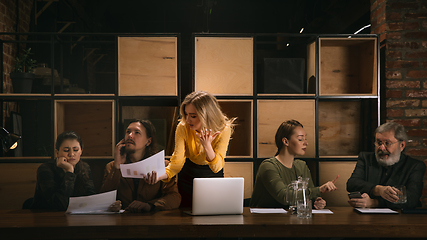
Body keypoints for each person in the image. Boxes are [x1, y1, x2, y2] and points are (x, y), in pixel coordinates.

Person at [149, 91, 236, 207]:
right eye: (186, 114)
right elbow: (176, 163)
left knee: (213, 216)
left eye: (193, 116)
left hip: (212, 175)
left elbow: (217, 167)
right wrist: (160, 175)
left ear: (207, 115)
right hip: (188, 175)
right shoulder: (182, 127)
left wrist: (207, 146)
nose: (187, 119)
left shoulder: (224, 129)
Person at [250, 120, 338, 209]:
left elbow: (310, 195)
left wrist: (317, 201)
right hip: (264, 220)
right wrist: (319, 190)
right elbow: (284, 196)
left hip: (291, 218)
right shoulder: (268, 166)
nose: (306, 143)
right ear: (286, 141)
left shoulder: (301, 166)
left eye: (305, 138)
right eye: (300, 139)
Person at [100, 119, 181, 212]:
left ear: (148, 141)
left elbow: (174, 198)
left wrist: (150, 205)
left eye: (137, 132)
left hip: (152, 220)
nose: (130, 135)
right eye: (128, 132)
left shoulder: (164, 165)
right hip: (122, 220)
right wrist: (117, 167)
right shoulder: (111, 167)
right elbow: (103, 198)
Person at [347, 122, 426, 209]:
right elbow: (352, 183)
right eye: (379, 142)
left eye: (387, 143)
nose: (381, 148)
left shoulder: (415, 166)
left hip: (401, 218)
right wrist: (378, 190)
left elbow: (412, 199)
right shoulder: (366, 158)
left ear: (402, 145)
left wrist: (375, 203)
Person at [31, 131, 96, 211]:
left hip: (77, 216)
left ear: (81, 151)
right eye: (66, 150)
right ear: (57, 152)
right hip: (48, 216)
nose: (71, 154)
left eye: (75, 150)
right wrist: (69, 171)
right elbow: (59, 205)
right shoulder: (45, 169)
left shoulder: (85, 167)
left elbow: (91, 197)